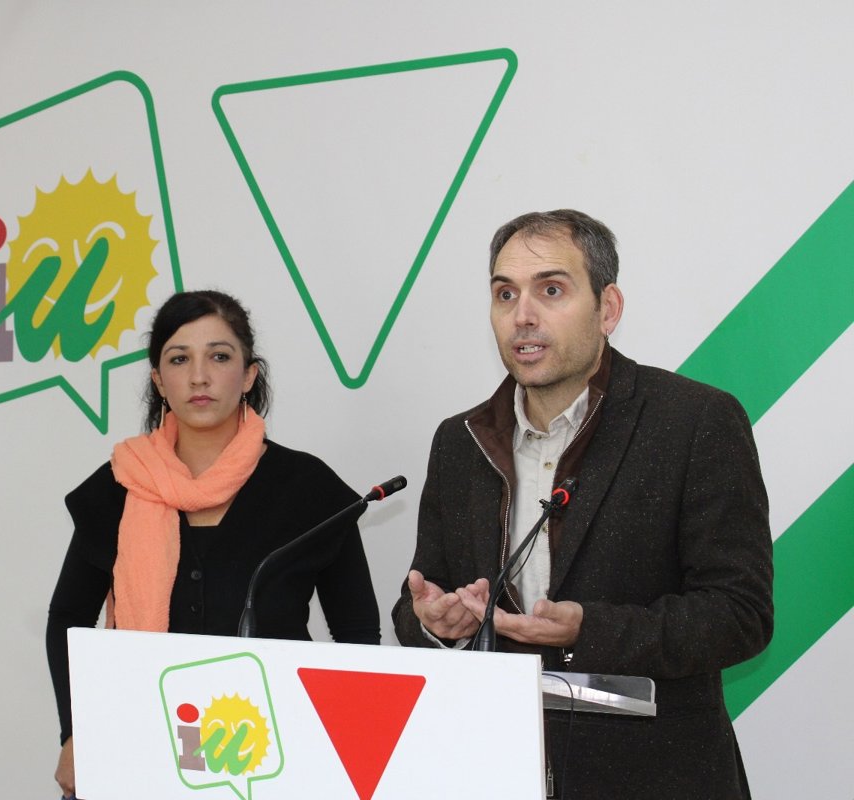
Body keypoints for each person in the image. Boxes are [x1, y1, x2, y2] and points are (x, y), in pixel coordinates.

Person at [392, 210, 773, 799]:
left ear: (608, 309)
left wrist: (587, 631)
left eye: (551, 290)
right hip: (495, 768)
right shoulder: (460, 441)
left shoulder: (694, 421)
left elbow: (739, 615)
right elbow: (420, 597)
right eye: (505, 294)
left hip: (655, 777)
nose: (522, 315)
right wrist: (437, 626)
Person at [47, 289, 380, 799]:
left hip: (277, 757)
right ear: (158, 380)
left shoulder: (308, 489)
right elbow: (68, 619)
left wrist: (344, 746)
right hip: (136, 746)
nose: (199, 376)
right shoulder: (119, 486)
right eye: (179, 359)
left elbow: (356, 633)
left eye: (219, 357)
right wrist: (76, 732)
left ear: (248, 375)